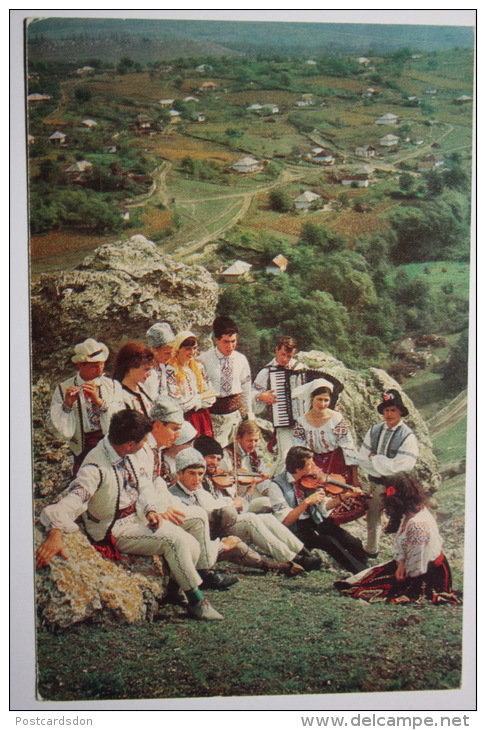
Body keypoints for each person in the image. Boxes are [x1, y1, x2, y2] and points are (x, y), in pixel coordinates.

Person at [36, 409, 227, 621]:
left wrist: (150, 509)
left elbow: (144, 484)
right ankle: (197, 602)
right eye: (144, 440)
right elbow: (71, 501)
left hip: (138, 516)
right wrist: (55, 531)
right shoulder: (95, 467)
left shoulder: (128, 453)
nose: (146, 444)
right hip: (114, 528)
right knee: (177, 541)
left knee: (191, 543)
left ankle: (174, 590)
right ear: (129, 443)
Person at [134, 396, 238, 592]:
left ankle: (199, 573)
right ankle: (204, 573)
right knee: (196, 518)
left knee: (197, 514)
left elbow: (156, 484)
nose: (177, 434)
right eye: (174, 428)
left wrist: (167, 503)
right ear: (157, 425)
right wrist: (157, 507)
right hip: (142, 512)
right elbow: (140, 485)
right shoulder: (143, 449)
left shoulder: (155, 449)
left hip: (158, 503)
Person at [170, 448, 321, 572]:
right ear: (180, 473)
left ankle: (302, 552)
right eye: (192, 474)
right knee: (250, 519)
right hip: (203, 539)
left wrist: (238, 498)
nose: (197, 479)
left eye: (200, 474)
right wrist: (227, 506)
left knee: (266, 518)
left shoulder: (198, 490)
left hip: (216, 527)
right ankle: (292, 558)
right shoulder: (174, 495)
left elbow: (217, 502)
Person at [334, 473, 461, 604]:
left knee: (377, 587)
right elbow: (404, 549)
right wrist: (400, 563)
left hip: (427, 572)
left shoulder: (417, 525)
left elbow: (418, 564)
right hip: (411, 563)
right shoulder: (409, 514)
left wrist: (404, 571)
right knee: (364, 581)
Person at [265, 446, 368, 573]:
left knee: (352, 542)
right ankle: (359, 572)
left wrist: (344, 496)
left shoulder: (310, 479)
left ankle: (368, 569)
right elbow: (285, 521)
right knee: (329, 542)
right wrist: (306, 502)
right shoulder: (276, 486)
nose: (314, 467)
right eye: (310, 464)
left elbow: (324, 506)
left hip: (315, 520)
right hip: (296, 528)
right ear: (298, 469)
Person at [49, 338, 125, 477]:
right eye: (94, 366)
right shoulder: (63, 388)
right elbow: (54, 424)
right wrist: (67, 405)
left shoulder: (113, 385)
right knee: (85, 478)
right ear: (80, 365)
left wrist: (99, 402)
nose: (100, 370)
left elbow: (121, 414)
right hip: (82, 445)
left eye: (102, 364)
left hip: (108, 441)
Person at [358, 388, 419, 557]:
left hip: (399, 485)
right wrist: (381, 465)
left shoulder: (408, 436)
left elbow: (403, 465)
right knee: (373, 517)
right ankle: (371, 550)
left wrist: (376, 459)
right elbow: (363, 459)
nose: (389, 414)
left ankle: (403, 553)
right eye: (386, 410)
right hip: (378, 483)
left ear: (400, 411)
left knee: (399, 518)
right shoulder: (375, 430)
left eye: (393, 410)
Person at [198, 316, 254, 447]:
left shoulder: (241, 359)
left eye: (233, 341)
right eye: (226, 342)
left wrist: (250, 414)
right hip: (213, 417)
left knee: (237, 454)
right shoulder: (203, 360)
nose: (231, 346)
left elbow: (246, 389)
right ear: (216, 340)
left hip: (236, 415)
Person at [292, 379, 360, 487]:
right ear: (311, 398)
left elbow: (348, 446)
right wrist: (312, 466)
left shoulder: (336, 418)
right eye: (319, 399)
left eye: (326, 400)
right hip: (313, 463)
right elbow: (299, 448)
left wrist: (355, 477)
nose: (323, 404)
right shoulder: (302, 421)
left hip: (337, 462)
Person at [252, 335, 304, 474]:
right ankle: (273, 482)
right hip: (283, 421)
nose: (285, 360)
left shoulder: (301, 369)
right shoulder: (267, 372)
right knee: (285, 456)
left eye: (289, 356)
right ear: (276, 350)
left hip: (303, 422)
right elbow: (252, 394)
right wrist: (261, 396)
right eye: (283, 355)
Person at [166, 330, 216, 437]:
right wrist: (201, 397)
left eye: (195, 348)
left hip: (202, 416)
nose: (192, 352)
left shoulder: (199, 367)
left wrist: (194, 401)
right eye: (188, 349)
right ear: (178, 349)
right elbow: (179, 404)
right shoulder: (171, 371)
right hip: (184, 418)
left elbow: (211, 397)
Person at [221, 420, 272, 513]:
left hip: (251, 494)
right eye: (249, 441)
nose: (253, 445)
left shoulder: (254, 454)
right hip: (236, 500)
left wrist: (269, 490)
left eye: (256, 440)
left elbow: (261, 478)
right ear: (238, 438)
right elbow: (225, 484)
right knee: (266, 502)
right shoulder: (227, 455)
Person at [113, 341, 154, 418]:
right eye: (146, 370)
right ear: (131, 367)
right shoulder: (121, 396)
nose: (149, 374)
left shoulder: (141, 387)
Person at [144, 322, 176, 401]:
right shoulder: (145, 371)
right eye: (167, 353)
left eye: (172, 353)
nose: (170, 356)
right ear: (154, 350)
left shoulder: (162, 366)